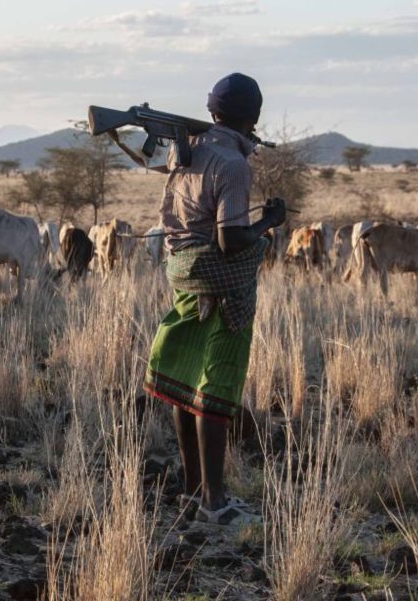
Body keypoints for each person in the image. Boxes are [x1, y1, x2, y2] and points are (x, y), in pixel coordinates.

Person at [108, 73, 285, 526]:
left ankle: (191, 492)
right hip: (225, 291)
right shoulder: (232, 164)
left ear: (212, 110)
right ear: (255, 115)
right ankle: (215, 502)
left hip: (184, 281)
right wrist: (269, 222)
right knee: (215, 390)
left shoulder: (186, 151)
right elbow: (229, 240)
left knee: (184, 385)